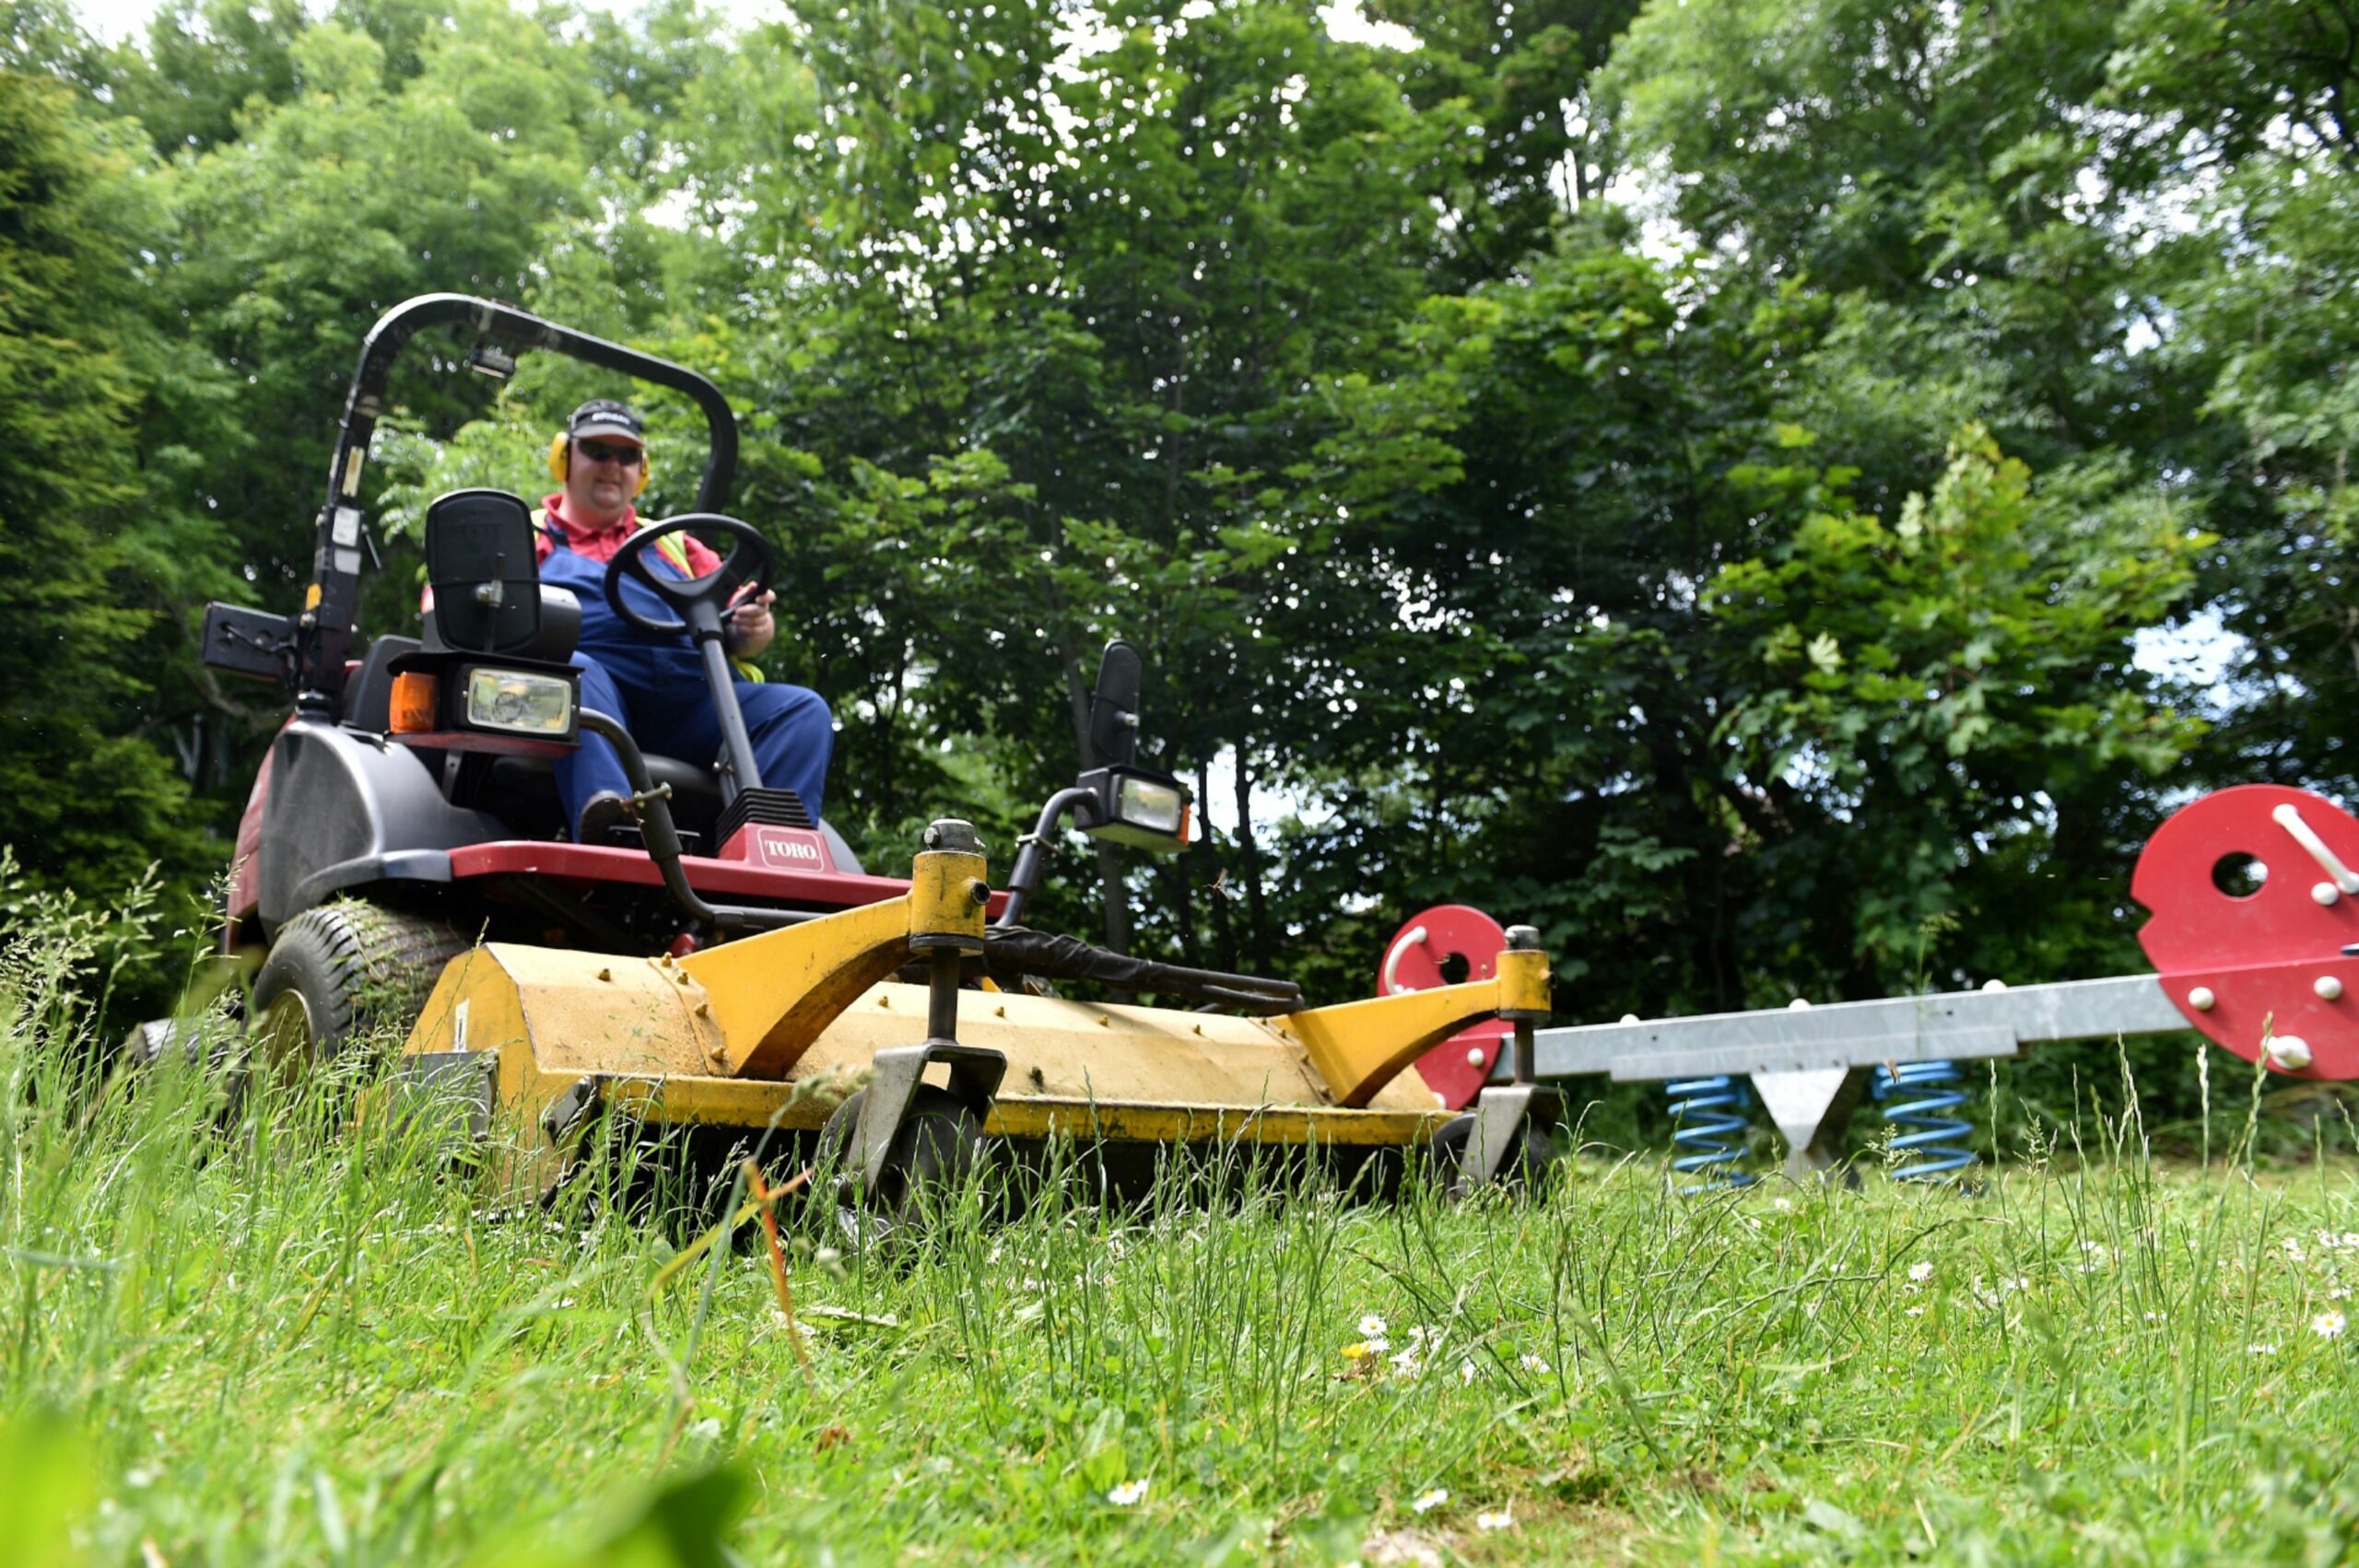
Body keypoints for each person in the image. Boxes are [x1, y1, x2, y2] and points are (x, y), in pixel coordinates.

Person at [533, 398, 833, 842]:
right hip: (599, 693)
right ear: (565, 458)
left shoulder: (675, 545)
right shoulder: (530, 533)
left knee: (801, 710)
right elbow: (448, 602)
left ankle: (769, 849)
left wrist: (755, 625)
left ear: (642, 468)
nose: (613, 466)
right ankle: (612, 824)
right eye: (598, 452)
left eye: (627, 455)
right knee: (576, 669)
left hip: (692, 702)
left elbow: (740, 621)